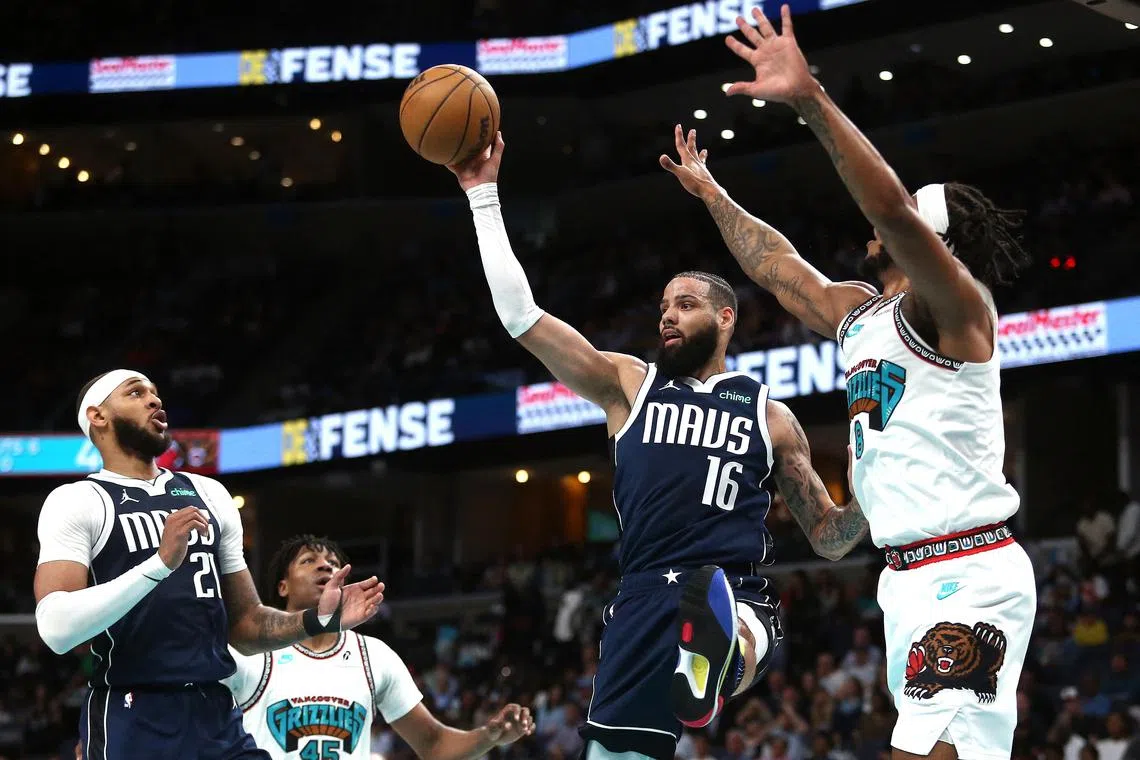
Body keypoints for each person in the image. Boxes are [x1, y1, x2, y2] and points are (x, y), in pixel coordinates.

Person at [661, 5, 1036, 759]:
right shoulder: (865, 316)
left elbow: (890, 207)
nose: (872, 230)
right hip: (902, 580)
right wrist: (712, 195)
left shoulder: (957, 309)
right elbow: (778, 269)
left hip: (967, 570)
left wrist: (811, 100)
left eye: (899, 230)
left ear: (933, 243)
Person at [448, 132, 866, 759]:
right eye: (664, 305)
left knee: (744, 628)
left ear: (727, 318)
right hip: (642, 596)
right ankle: (709, 658)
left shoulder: (771, 417)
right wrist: (483, 196)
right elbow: (521, 317)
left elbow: (831, 540)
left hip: (730, 586)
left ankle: (719, 652)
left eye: (687, 304)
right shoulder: (627, 385)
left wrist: (872, 483)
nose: (668, 315)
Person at [34, 371, 385, 759]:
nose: (155, 401)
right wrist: (158, 565)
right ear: (97, 416)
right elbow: (56, 629)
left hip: (215, 711)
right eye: (136, 393)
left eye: (155, 393)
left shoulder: (208, 493)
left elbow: (246, 624)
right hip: (133, 711)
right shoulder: (77, 501)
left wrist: (317, 619)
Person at [224, 534, 534, 759]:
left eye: (333, 563)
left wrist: (488, 736)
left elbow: (434, 744)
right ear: (283, 586)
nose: (325, 567)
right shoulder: (251, 652)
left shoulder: (373, 656)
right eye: (309, 561)